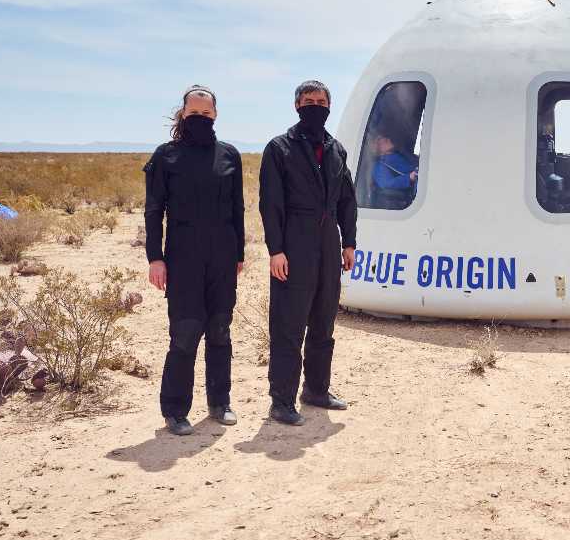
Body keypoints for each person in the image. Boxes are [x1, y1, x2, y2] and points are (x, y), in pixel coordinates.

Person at [144, 85, 244, 436]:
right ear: (183, 114)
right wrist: (155, 258)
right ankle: (174, 410)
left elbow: (237, 209)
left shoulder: (229, 155)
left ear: (215, 115)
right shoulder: (165, 156)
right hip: (183, 255)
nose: (200, 118)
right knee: (186, 332)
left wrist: (239, 255)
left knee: (219, 328)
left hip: (223, 255)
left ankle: (220, 402)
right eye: (194, 113)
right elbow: (153, 211)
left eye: (206, 113)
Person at [259, 80, 358, 426]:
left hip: (328, 241)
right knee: (288, 323)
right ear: (297, 106)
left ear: (329, 106)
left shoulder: (335, 149)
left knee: (323, 319)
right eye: (308, 101)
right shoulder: (280, 148)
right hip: (294, 241)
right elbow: (270, 204)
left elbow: (347, 199)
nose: (315, 105)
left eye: (320, 101)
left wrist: (349, 242)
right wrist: (277, 250)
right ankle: (281, 400)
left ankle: (316, 389)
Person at [370, 134, 419, 208]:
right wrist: (409, 178)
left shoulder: (401, 153)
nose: (385, 138)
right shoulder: (378, 166)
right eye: (379, 139)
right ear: (376, 147)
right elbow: (386, 183)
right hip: (416, 189)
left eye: (383, 137)